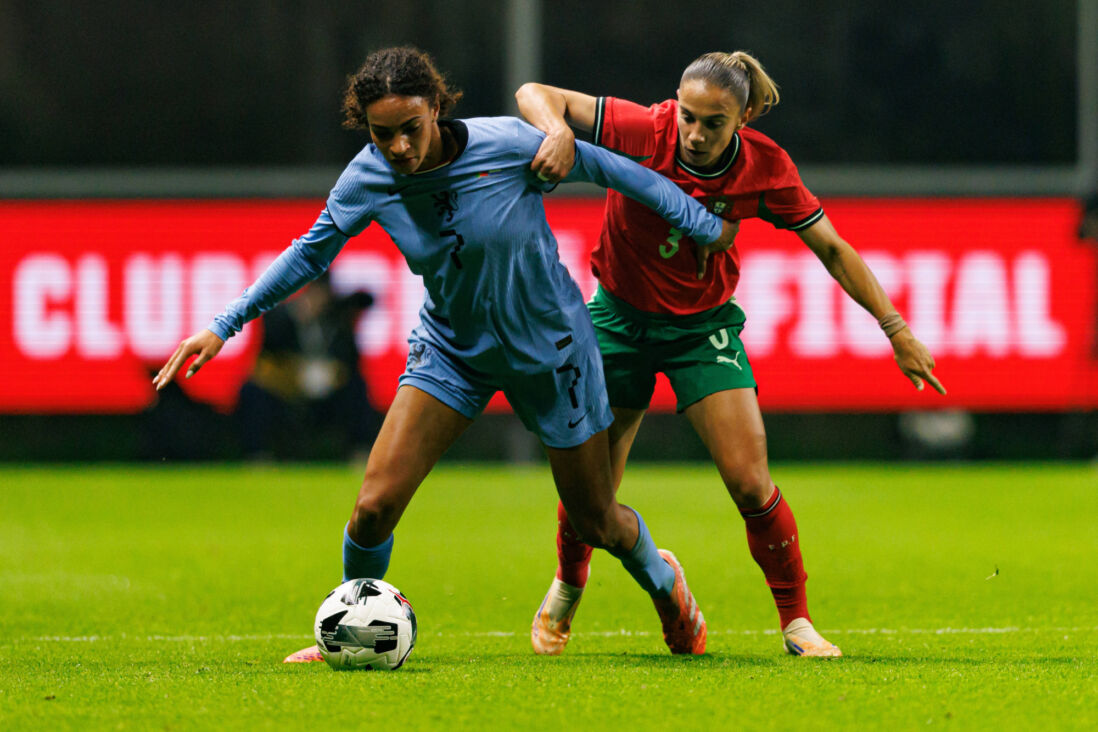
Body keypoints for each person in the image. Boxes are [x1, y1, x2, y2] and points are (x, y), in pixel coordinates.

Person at [153, 46, 739, 662]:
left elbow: (623, 174)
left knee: (595, 521)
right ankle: (351, 629)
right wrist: (224, 325)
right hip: (453, 351)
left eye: (410, 129)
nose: (400, 148)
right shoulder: (369, 177)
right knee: (373, 509)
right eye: (384, 135)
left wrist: (706, 227)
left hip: (553, 352)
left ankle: (665, 582)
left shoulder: (510, 144)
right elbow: (310, 252)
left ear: (436, 107)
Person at [517, 50, 946, 658]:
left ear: (743, 117)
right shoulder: (649, 129)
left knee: (750, 482)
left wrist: (895, 327)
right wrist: (558, 131)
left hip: (701, 330)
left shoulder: (766, 169)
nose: (693, 133)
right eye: (688, 116)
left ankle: (797, 624)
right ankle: (567, 587)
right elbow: (535, 91)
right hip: (616, 322)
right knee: (592, 500)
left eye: (712, 122)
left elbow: (831, 247)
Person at [236, 273, 380, 461]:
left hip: (328, 394)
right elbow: (266, 358)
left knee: (357, 388)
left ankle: (359, 451)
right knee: (252, 391)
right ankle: (257, 455)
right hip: (288, 390)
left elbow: (366, 301)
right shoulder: (281, 317)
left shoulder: (337, 321)